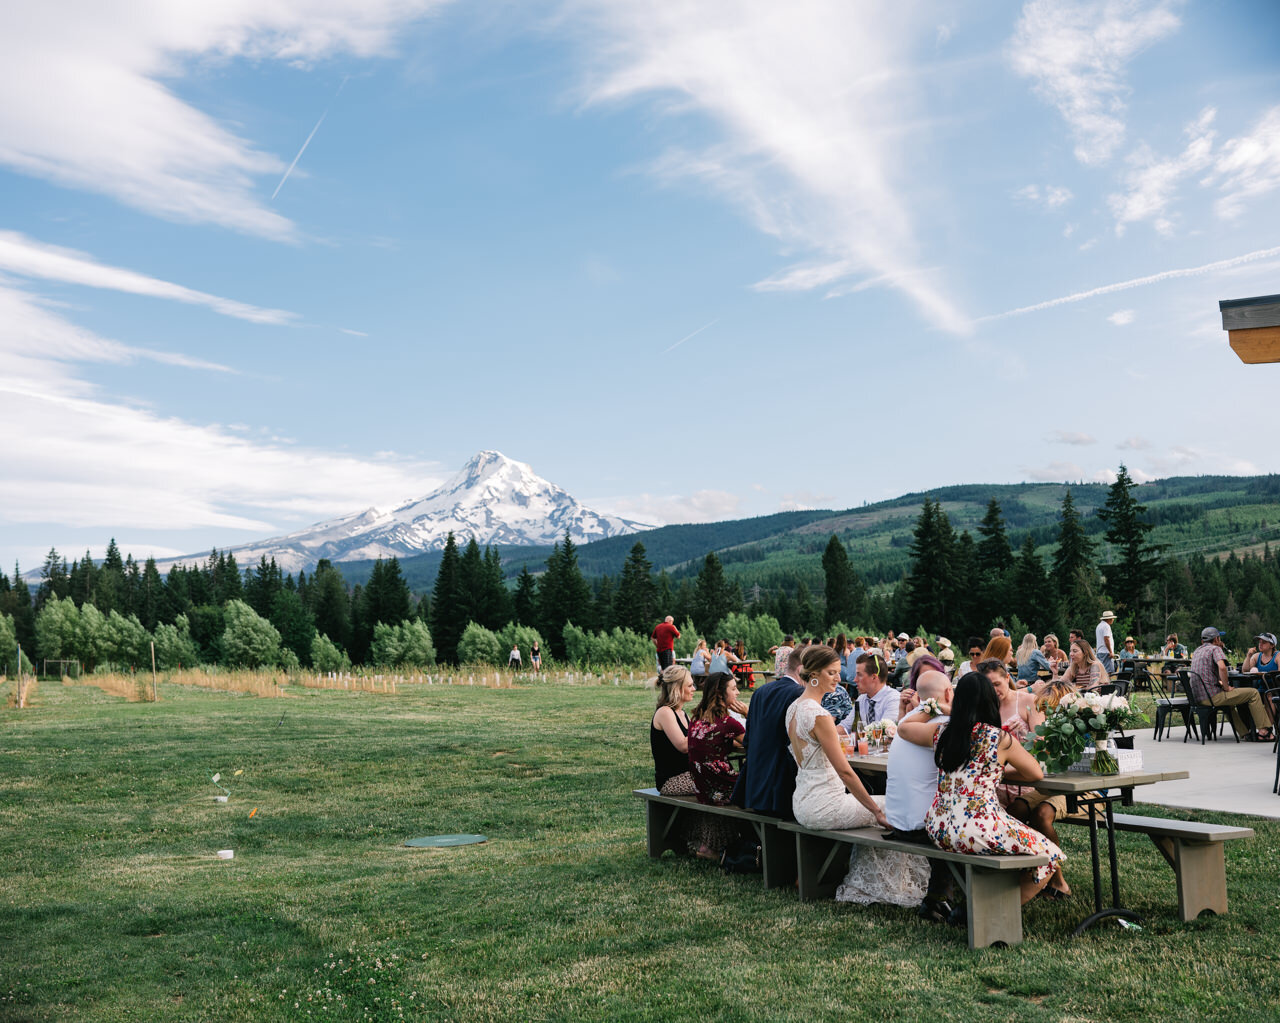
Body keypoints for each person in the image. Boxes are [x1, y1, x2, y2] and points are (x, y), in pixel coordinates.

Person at [925, 672, 1070, 904]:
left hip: (938, 826)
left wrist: (927, 707)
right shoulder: (998, 738)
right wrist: (1000, 769)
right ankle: (993, 909)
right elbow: (1035, 772)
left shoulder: (942, 733)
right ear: (989, 702)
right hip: (978, 828)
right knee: (1051, 854)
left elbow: (905, 729)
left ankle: (982, 903)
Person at [873, 670, 955, 920]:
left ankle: (944, 896)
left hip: (897, 820)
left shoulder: (909, 718)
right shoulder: (945, 725)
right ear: (949, 694)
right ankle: (939, 900)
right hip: (920, 826)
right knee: (967, 826)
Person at [785, 646, 889, 830]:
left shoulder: (793, 708)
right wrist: (876, 812)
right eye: (832, 673)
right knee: (893, 806)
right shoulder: (819, 715)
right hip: (827, 806)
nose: (839, 679)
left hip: (801, 803)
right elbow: (845, 772)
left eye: (838, 673)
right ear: (814, 675)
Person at [731, 646, 805, 817]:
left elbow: (748, 739)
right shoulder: (799, 693)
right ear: (801, 670)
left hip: (755, 787)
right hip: (782, 793)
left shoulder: (760, 691)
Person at [686, 673, 747, 859]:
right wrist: (748, 714)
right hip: (721, 789)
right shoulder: (729, 723)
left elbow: (719, 740)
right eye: (733, 689)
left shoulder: (697, 717)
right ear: (721, 695)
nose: (737, 693)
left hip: (702, 787)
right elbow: (758, 743)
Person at [1187, 627, 1273, 741]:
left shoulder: (1197, 650)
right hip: (1212, 697)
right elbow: (1222, 667)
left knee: (1230, 705)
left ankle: (1244, 733)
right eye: (1219, 637)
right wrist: (1226, 687)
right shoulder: (1215, 649)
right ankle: (1264, 731)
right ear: (1216, 639)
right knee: (1253, 693)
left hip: (1198, 698)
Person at [651, 665, 696, 796]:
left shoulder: (683, 714)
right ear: (677, 688)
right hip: (671, 780)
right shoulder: (665, 712)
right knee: (722, 783)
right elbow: (683, 745)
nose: (694, 689)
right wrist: (707, 731)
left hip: (687, 775)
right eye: (689, 686)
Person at [838, 652, 900, 731]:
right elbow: (845, 726)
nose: (855, 679)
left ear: (874, 677)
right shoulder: (861, 699)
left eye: (859, 675)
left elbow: (884, 731)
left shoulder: (893, 699)